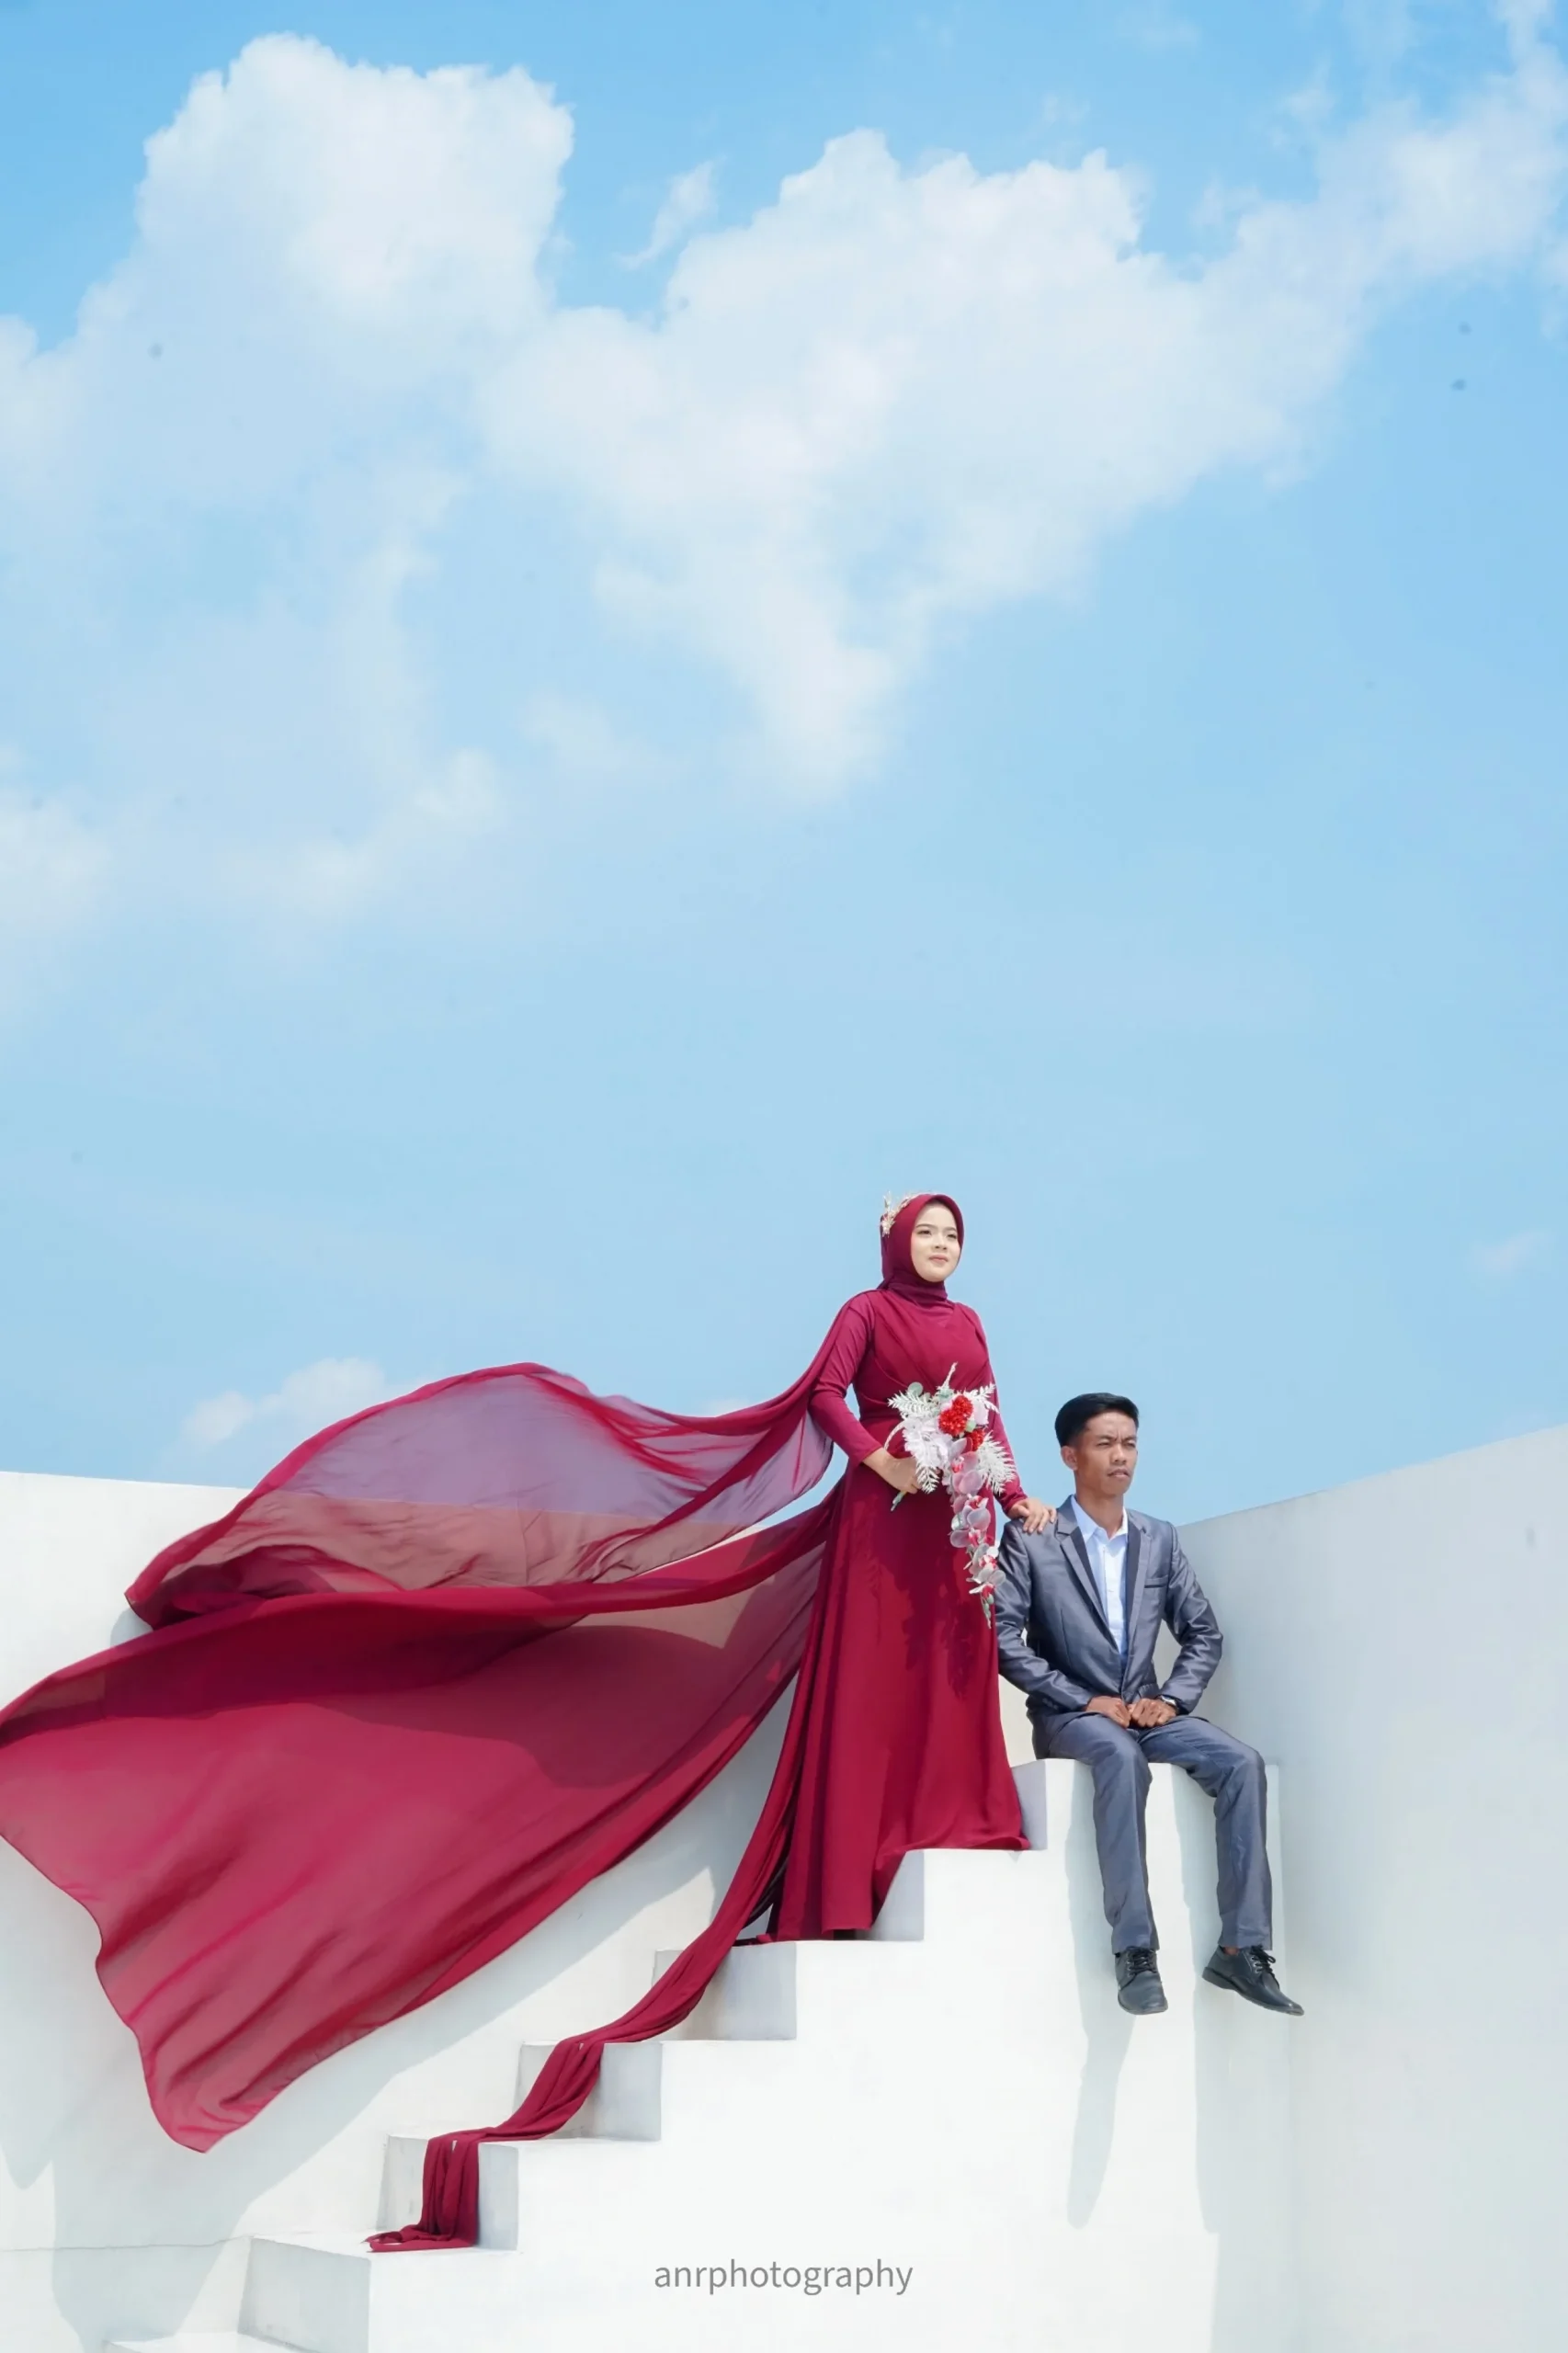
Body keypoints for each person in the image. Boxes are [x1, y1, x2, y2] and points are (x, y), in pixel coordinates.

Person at [0, 1190, 1051, 2248]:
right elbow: (823, 1395)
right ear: (893, 1240)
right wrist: (877, 1457)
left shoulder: (967, 1323)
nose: (940, 1245)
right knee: (870, 1688)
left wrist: (1012, 1499)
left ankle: (951, 1809)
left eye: (952, 1234)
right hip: (882, 1511)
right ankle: (853, 1862)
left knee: (943, 1663)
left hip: (950, 1524)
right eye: (926, 1231)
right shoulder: (864, 1311)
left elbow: (988, 1414)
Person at [994, 1392, 1301, 2019]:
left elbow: (1203, 1632)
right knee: (1119, 1759)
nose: (1121, 1456)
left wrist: (1172, 1699)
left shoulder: (1158, 1538)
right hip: (1072, 1718)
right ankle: (1135, 1951)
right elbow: (1001, 1638)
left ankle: (1242, 1949)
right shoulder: (1033, 1538)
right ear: (1070, 1456)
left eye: (1130, 1444)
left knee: (1240, 1763)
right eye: (1106, 1444)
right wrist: (1082, 1699)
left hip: (1148, 1712)